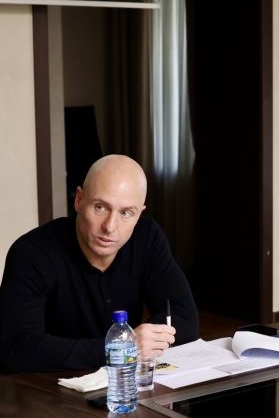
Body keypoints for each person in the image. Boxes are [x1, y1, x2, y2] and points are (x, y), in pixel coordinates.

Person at [0, 155, 199, 373]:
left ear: (139, 214)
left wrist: (138, 343)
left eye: (126, 213)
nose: (110, 227)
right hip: (49, 386)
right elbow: (16, 348)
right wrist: (121, 348)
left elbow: (184, 318)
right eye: (100, 207)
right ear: (79, 200)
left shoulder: (147, 237)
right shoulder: (32, 253)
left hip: (121, 383)